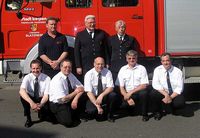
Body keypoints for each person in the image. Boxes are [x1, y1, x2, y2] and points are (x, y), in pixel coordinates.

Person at [49, 59, 85, 127]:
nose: (67, 69)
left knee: (84, 94)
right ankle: (54, 115)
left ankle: (74, 112)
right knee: (68, 123)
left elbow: (81, 87)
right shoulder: (57, 80)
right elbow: (63, 99)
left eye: (69, 67)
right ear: (61, 67)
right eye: (65, 67)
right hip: (58, 104)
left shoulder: (70, 75)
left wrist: (75, 99)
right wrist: (76, 92)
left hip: (68, 99)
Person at [116, 50, 149, 122]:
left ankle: (144, 114)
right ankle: (131, 108)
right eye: (129, 58)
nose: (131, 60)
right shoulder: (122, 69)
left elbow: (144, 85)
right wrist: (127, 98)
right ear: (126, 59)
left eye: (133, 58)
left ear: (136, 59)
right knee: (124, 106)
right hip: (127, 93)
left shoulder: (142, 68)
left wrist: (130, 93)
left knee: (144, 93)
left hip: (139, 92)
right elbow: (121, 87)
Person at [150, 53, 185, 120]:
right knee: (153, 94)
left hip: (173, 93)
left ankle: (172, 107)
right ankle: (158, 112)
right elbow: (155, 84)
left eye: (167, 60)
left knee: (180, 103)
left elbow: (180, 88)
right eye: (163, 61)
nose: (165, 63)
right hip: (163, 92)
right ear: (161, 62)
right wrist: (166, 94)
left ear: (171, 61)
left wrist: (170, 97)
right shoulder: (157, 70)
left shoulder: (178, 71)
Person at [74, 15, 108, 82]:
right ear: (85, 23)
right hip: (86, 65)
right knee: (88, 83)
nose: (92, 24)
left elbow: (105, 49)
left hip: (99, 65)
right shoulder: (80, 35)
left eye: (93, 22)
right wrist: (78, 66)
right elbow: (76, 51)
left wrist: (107, 63)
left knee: (100, 82)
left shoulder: (101, 33)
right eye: (90, 23)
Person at [84, 57, 117, 122]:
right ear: (94, 64)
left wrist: (101, 95)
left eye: (102, 64)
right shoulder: (88, 74)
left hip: (104, 95)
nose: (100, 66)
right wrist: (97, 106)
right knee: (92, 112)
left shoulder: (108, 72)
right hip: (93, 97)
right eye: (98, 64)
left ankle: (110, 115)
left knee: (113, 95)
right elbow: (89, 92)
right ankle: (100, 109)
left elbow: (111, 87)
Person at [19, 59, 51, 128]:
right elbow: (21, 90)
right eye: (33, 68)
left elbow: (46, 95)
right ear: (31, 68)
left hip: (41, 98)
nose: (35, 70)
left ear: (41, 68)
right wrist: (32, 103)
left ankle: (42, 112)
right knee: (22, 97)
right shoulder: (27, 77)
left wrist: (41, 105)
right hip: (31, 97)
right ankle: (28, 119)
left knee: (46, 114)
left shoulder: (47, 78)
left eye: (37, 68)